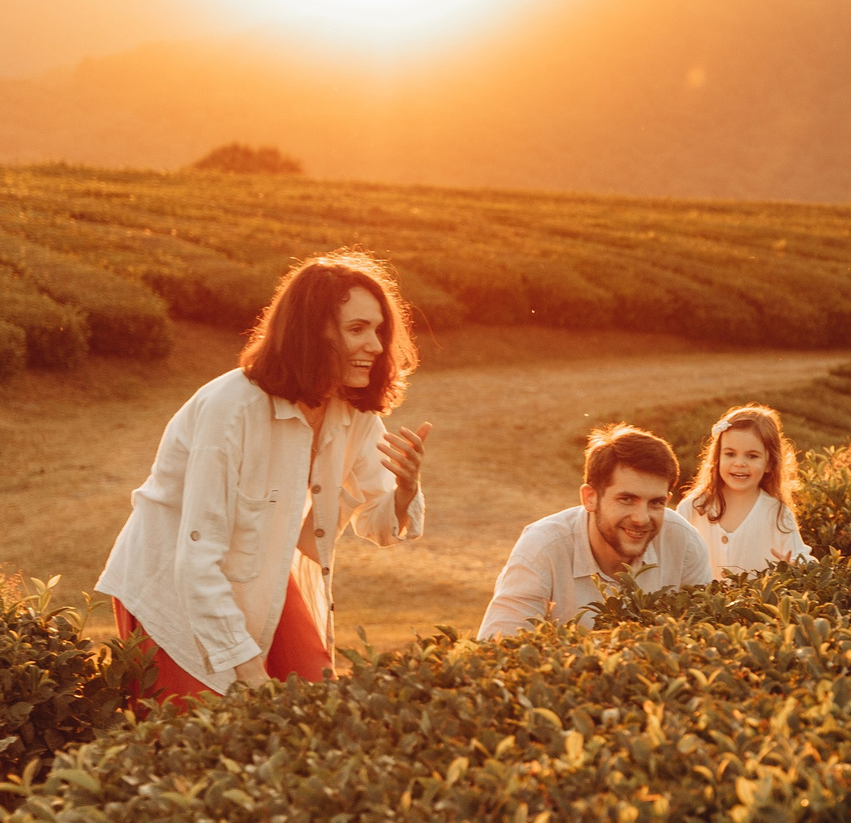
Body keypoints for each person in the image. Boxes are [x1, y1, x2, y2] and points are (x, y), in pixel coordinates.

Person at [97, 251, 430, 702]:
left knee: (315, 703)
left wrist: (406, 490)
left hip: (262, 570)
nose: (376, 344)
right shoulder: (229, 409)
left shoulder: (351, 409)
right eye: (357, 329)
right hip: (174, 582)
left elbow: (378, 523)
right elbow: (195, 559)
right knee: (200, 731)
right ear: (311, 333)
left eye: (379, 330)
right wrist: (247, 669)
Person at [477, 424, 714, 637]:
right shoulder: (542, 549)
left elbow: (705, 638)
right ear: (589, 498)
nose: (641, 519)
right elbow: (499, 647)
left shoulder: (684, 541)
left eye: (656, 503)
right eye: (626, 499)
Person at [672, 404, 815, 576]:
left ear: (769, 463)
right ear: (717, 457)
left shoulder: (777, 513)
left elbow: (802, 558)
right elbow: (670, 556)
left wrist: (795, 566)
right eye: (730, 454)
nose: (739, 463)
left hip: (756, 602)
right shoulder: (694, 507)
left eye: (752, 456)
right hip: (702, 602)